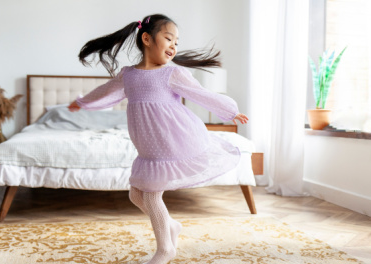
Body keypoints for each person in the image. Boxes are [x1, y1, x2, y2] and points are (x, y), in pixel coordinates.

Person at [68, 14, 248, 264]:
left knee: (151, 195)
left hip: (173, 139)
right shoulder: (129, 75)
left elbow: (200, 94)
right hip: (148, 147)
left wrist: (229, 111)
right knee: (135, 194)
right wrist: (82, 102)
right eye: (168, 38)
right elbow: (106, 91)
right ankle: (170, 225)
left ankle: (165, 250)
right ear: (147, 38)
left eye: (177, 41)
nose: (174, 46)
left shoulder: (172, 74)